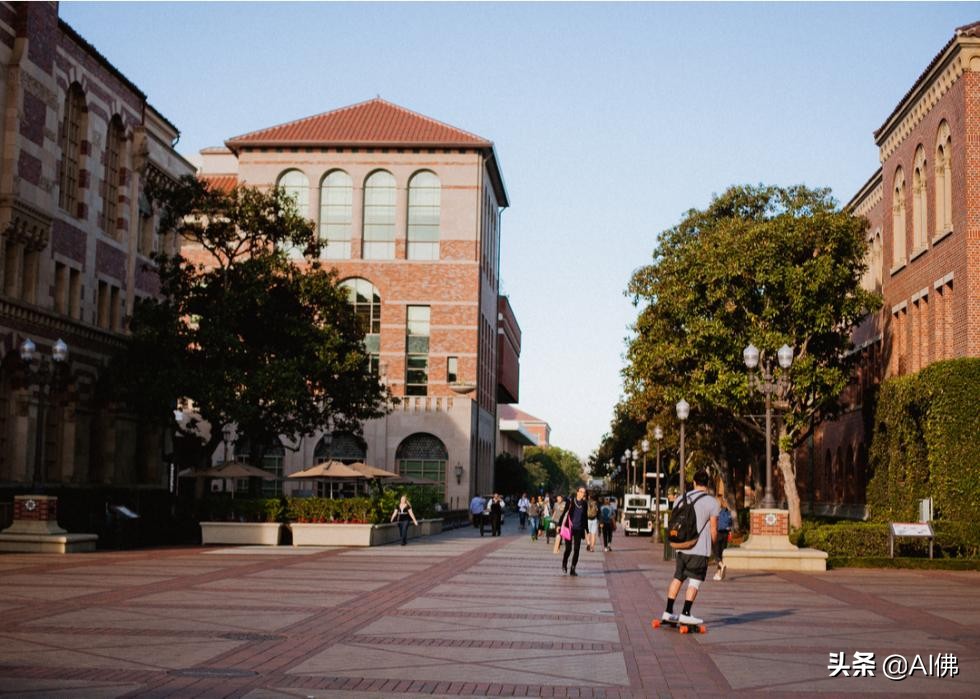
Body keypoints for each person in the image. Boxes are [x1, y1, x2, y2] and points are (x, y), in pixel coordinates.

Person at [660, 470, 720, 626]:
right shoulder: (712, 502)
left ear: (694, 482)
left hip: (681, 546)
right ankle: (686, 613)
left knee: (678, 578)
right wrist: (713, 548)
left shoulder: (681, 498)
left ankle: (668, 611)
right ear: (708, 483)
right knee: (694, 581)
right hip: (699, 549)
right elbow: (714, 529)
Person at [557, 486, 588, 575]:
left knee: (577, 549)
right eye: (581, 492)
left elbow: (585, 517)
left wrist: (587, 531)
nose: (582, 493)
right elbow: (564, 513)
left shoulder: (584, 504)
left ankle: (573, 569)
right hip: (569, 528)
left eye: (584, 492)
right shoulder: (570, 501)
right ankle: (564, 562)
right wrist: (559, 525)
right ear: (577, 492)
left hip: (579, 529)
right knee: (568, 549)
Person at [713, 494, 733, 581]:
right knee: (721, 554)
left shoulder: (716, 511)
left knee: (715, 553)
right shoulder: (727, 510)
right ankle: (718, 573)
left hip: (718, 533)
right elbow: (730, 522)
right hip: (725, 533)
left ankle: (721, 565)